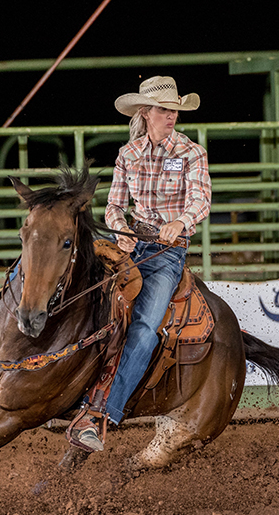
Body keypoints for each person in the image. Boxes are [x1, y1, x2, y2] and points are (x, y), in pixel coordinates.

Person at [72, 76, 211, 452]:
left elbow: (201, 200)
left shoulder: (191, 153)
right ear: (146, 113)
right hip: (131, 249)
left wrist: (180, 223)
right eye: (164, 110)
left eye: (174, 110)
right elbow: (114, 206)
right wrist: (120, 230)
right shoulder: (128, 155)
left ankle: (102, 415)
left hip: (167, 254)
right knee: (83, 298)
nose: (171, 117)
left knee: (146, 327)